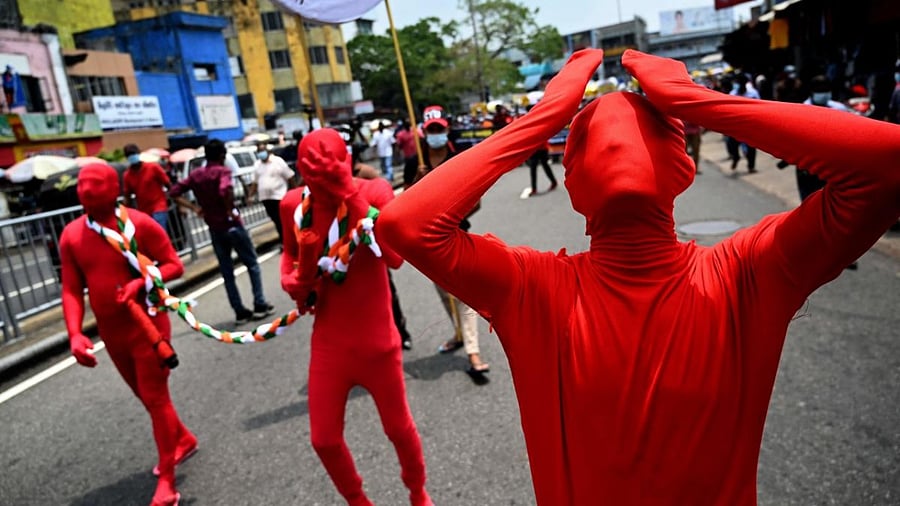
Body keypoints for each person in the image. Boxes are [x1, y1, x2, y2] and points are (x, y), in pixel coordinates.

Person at [378, 48, 900, 504]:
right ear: (572, 187)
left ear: (685, 167)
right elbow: (406, 224)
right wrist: (549, 118)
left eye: (650, 128)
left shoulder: (742, 273)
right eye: (586, 136)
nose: (614, 137)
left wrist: (692, 101)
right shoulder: (747, 273)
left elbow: (890, 165)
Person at [278, 128, 433, 505]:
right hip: (331, 343)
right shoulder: (294, 207)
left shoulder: (375, 193)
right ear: (301, 171)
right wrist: (293, 281)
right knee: (323, 439)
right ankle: (358, 500)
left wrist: (351, 195)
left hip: (378, 342)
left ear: (347, 162)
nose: (323, 186)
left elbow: (395, 257)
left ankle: (417, 491)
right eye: (315, 178)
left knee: (398, 428)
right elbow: (288, 254)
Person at [60, 163, 197, 506]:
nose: (86, 189)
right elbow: (72, 289)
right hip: (112, 333)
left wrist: (142, 280)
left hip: (147, 327)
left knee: (154, 397)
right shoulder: (72, 235)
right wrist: (74, 333)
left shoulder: (140, 224)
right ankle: (182, 439)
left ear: (114, 188)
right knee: (146, 397)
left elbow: (173, 264)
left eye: (95, 183)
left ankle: (167, 481)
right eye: (82, 183)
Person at [414, 105, 490, 381]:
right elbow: (406, 206)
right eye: (431, 130)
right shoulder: (416, 162)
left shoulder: (459, 160)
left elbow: (476, 201)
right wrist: (417, 181)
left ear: (446, 130)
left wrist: (450, 218)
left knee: (464, 296)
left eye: (440, 129)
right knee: (444, 295)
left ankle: (473, 352)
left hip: (456, 237)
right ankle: (459, 335)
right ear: (424, 132)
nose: (435, 134)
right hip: (427, 243)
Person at [169, 139, 275, 326]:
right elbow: (224, 188)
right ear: (221, 155)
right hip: (232, 224)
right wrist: (229, 210)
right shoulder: (223, 172)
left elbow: (174, 192)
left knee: (227, 272)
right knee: (251, 264)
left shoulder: (196, 175)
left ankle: (239, 311)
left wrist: (194, 208)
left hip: (214, 227)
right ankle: (259, 303)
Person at [248, 142, 296, 244]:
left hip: (279, 196)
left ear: (268, 151)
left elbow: (290, 176)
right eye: (259, 151)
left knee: (282, 220)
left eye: (263, 151)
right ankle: (285, 241)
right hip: (266, 198)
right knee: (276, 220)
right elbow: (255, 182)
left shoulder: (278, 161)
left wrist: (294, 192)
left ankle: (289, 241)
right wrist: (250, 196)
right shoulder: (257, 165)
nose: (261, 153)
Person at [122, 143, 172, 232]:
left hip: (159, 207)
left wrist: (174, 199)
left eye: (133, 153)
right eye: (129, 155)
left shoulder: (153, 167)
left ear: (138, 153)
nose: (132, 156)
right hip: (144, 211)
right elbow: (127, 196)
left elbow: (168, 184)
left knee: (159, 232)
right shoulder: (127, 176)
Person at [727, 73, 760, 173]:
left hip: (749, 124)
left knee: (751, 147)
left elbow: (759, 106)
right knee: (732, 145)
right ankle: (736, 157)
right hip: (736, 125)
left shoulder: (752, 93)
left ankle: (751, 166)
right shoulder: (732, 94)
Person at [394, 122, 419, 189]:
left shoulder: (415, 131)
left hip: (416, 155)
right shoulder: (401, 135)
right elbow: (398, 145)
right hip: (408, 156)